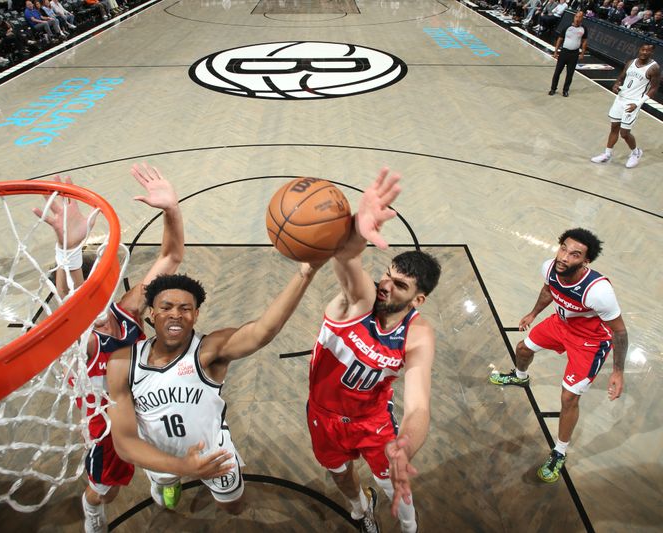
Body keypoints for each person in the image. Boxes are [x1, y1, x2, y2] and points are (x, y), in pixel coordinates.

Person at [33, 165, 231, 533]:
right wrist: (68, 251)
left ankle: (162, 478)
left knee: (172, 450)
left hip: (151, 400)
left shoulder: (126, 310)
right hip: (106, 424)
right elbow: (73, 304)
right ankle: (92, 509)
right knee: (105, 491)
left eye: (99, 286)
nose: (96, 294)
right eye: (86, 289)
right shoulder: (81, 338)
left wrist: (172, 211)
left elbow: (171, 257)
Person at [105, 234, 325, 516]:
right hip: (156, 454)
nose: (176, 315)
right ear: (151, 313)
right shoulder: (122, 363)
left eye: (185, 308)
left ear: (196, 315)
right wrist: (182, 467)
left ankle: (190, 484)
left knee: (233, 507)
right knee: (168, 496)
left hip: (213, 453)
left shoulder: (209, 350)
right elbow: (124, 444)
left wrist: (304, 274)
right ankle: (168, 483)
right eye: (166, 307)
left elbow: (261, 331)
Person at [306, 169, 440, 533]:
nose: (386, 286)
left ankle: (410, 528)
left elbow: (417, 406)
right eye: (386, 275)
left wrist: (405, 445)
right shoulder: (358, 302)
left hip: (372, 420)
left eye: (399, 285)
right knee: (339, 475)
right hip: (325, 414)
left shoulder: (418, 334)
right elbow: (347, 262)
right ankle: (359, 508)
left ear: (418, 298)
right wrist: (356, 233)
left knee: (395, 480)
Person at [490, 228, 627, 483]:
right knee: (522, 348)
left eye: (574, 255)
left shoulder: (598, 291)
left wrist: (618, 371)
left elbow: (619, 332)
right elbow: (548, 291)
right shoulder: (550, 267)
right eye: (563, 248)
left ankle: (559, 451)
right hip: (561, 325)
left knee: (568, 398)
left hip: (590, 341)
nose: (564, 257)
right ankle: (520, 377)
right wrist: (533, 314)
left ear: (585, 261)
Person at [590, 43, 660, 168]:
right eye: (643, 49)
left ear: (652, 53)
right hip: (620, 99)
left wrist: (638, 104)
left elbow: (654, 88)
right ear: (639, 49)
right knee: (614, 127)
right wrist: (616, 84)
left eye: (647, 51)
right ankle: (607, 154)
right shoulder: (631, 62)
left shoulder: (654, 68)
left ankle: (636, 152)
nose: (644, 52)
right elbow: (622, 77)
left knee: (624, 133)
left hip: (633, 102)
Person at [549, 10, 588, 97]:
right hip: (564, 52)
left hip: (574, 54)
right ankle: (553, 89)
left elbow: (584, 41)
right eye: (576, 17)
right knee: (557, 72)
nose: (578, 19)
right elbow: (560, 39)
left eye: (580, 17)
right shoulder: (567, 27)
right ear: (574, 17)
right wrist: (555, 52)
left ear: (582, 18)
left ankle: (565, 90)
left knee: (570, 74)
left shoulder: (583, 29)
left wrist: (582, 53)